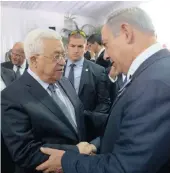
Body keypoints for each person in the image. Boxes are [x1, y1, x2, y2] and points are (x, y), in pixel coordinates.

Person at [36, 7, 170, 173]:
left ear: (126, 32)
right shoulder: (153, 71)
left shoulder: (154, 83)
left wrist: (66, 161)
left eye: (106, 44)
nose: (105, 55)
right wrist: (97, 144)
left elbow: (125, 167)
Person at [1, 29, 97, 173]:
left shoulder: (64, 82)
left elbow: (78, 118)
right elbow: (24, 152)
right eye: (56, 56)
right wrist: (76, 150)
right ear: (34, 60)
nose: (63, 62)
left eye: (63, 55)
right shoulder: (12, 96)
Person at [63, 31, 111, 141]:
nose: (76, 50)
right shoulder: (58, 69)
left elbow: (104, 103)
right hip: (62, 129)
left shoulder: (98, 71)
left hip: (87, 131)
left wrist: (90, 118)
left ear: (86, 48)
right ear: (67, 47)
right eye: (73, 46)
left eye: (80, 46)